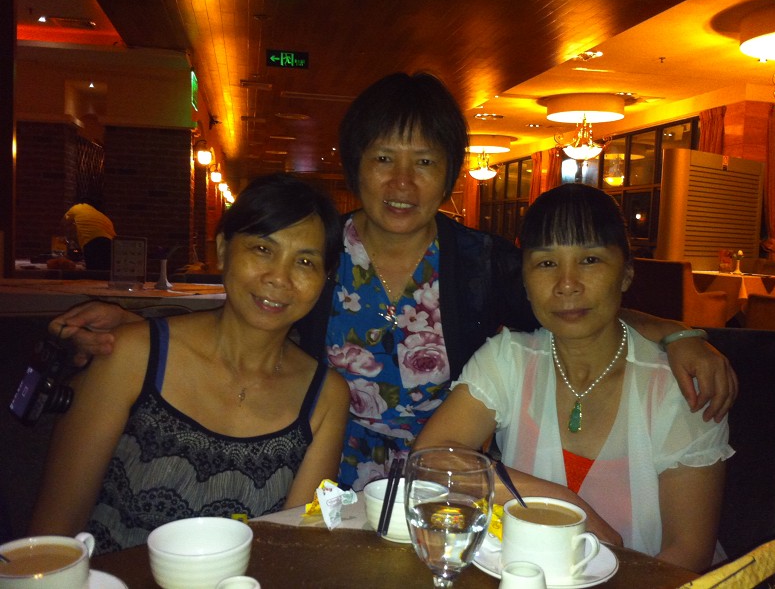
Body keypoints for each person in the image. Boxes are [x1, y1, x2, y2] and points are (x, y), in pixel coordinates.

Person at [49, 73, 736, 493]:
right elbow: (255, 306)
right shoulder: (319, 248)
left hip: (451, 486)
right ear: (355, 165)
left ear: (450, 173)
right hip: (319, 479)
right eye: (383, 158)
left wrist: (678, 334)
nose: (402, 182)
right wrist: (141, 323)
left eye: (424, 161)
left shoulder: (481, 261)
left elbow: (578, 305)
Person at [414, 183, 733, 573]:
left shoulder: (679, 386)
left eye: (590, 260)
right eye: (546, 263)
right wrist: (562, 502)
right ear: (525, 279)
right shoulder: (509, 359)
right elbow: (431, 458)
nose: (567, 284)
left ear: (626, 273)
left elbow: (687, 554)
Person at [29, 175, 350, 554]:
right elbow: (53, 538)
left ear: (324, 278)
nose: (279, 278)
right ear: (223, 249)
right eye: (263, 248)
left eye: (305, 261)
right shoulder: (132, 356)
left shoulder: (325, 397)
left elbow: (295, 547)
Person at [62, 198, 117, 270]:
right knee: (106, 271)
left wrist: (66, 238)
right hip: (112, 244)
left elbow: (64, 222)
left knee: (92, 272)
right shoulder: (99, 214)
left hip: (92, 241)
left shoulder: (76, 208)